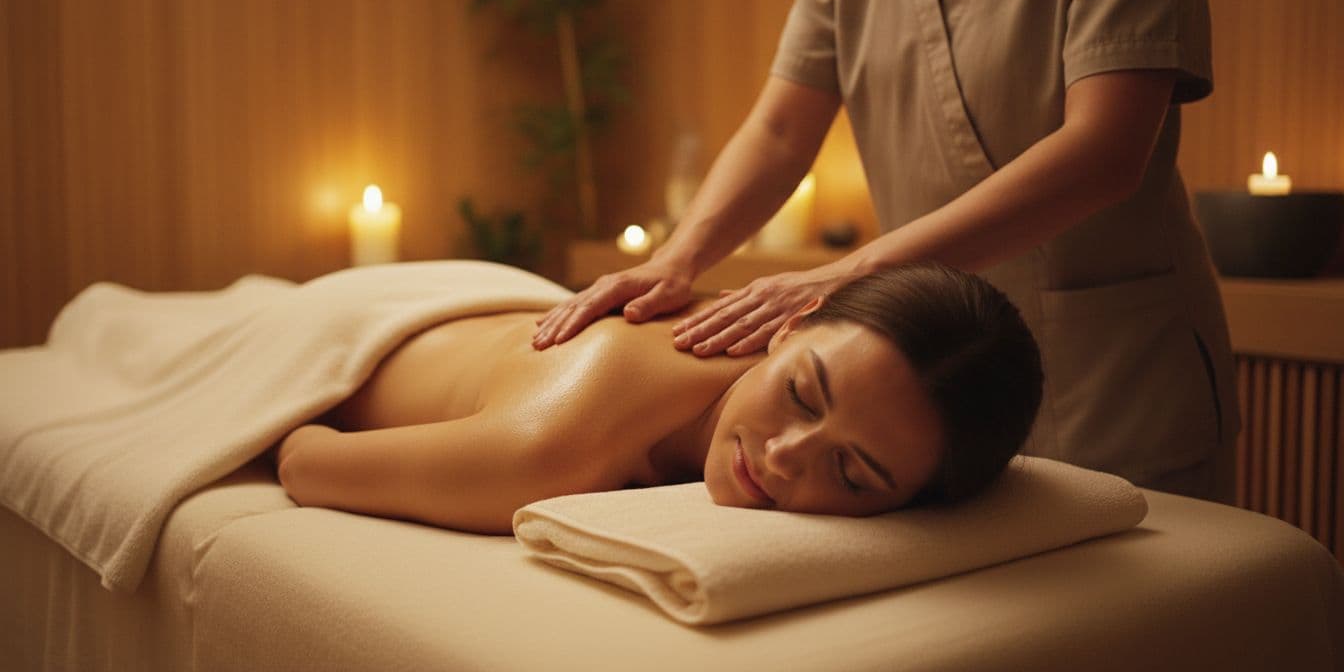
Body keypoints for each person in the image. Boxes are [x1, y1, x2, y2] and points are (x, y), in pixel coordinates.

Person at [532, 0, 1238, 503]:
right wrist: (677, 259)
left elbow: (1105, 151)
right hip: (907, 396)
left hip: (1109, 368)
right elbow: (780, 130)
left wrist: (858, 272)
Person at [274, 263, 1042, 533]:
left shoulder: (772, 365)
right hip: (358, 317)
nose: (782, 456)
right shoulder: (548, 449)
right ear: (788, 324)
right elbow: (304, 461)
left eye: (853, 475)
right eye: (803, 396)